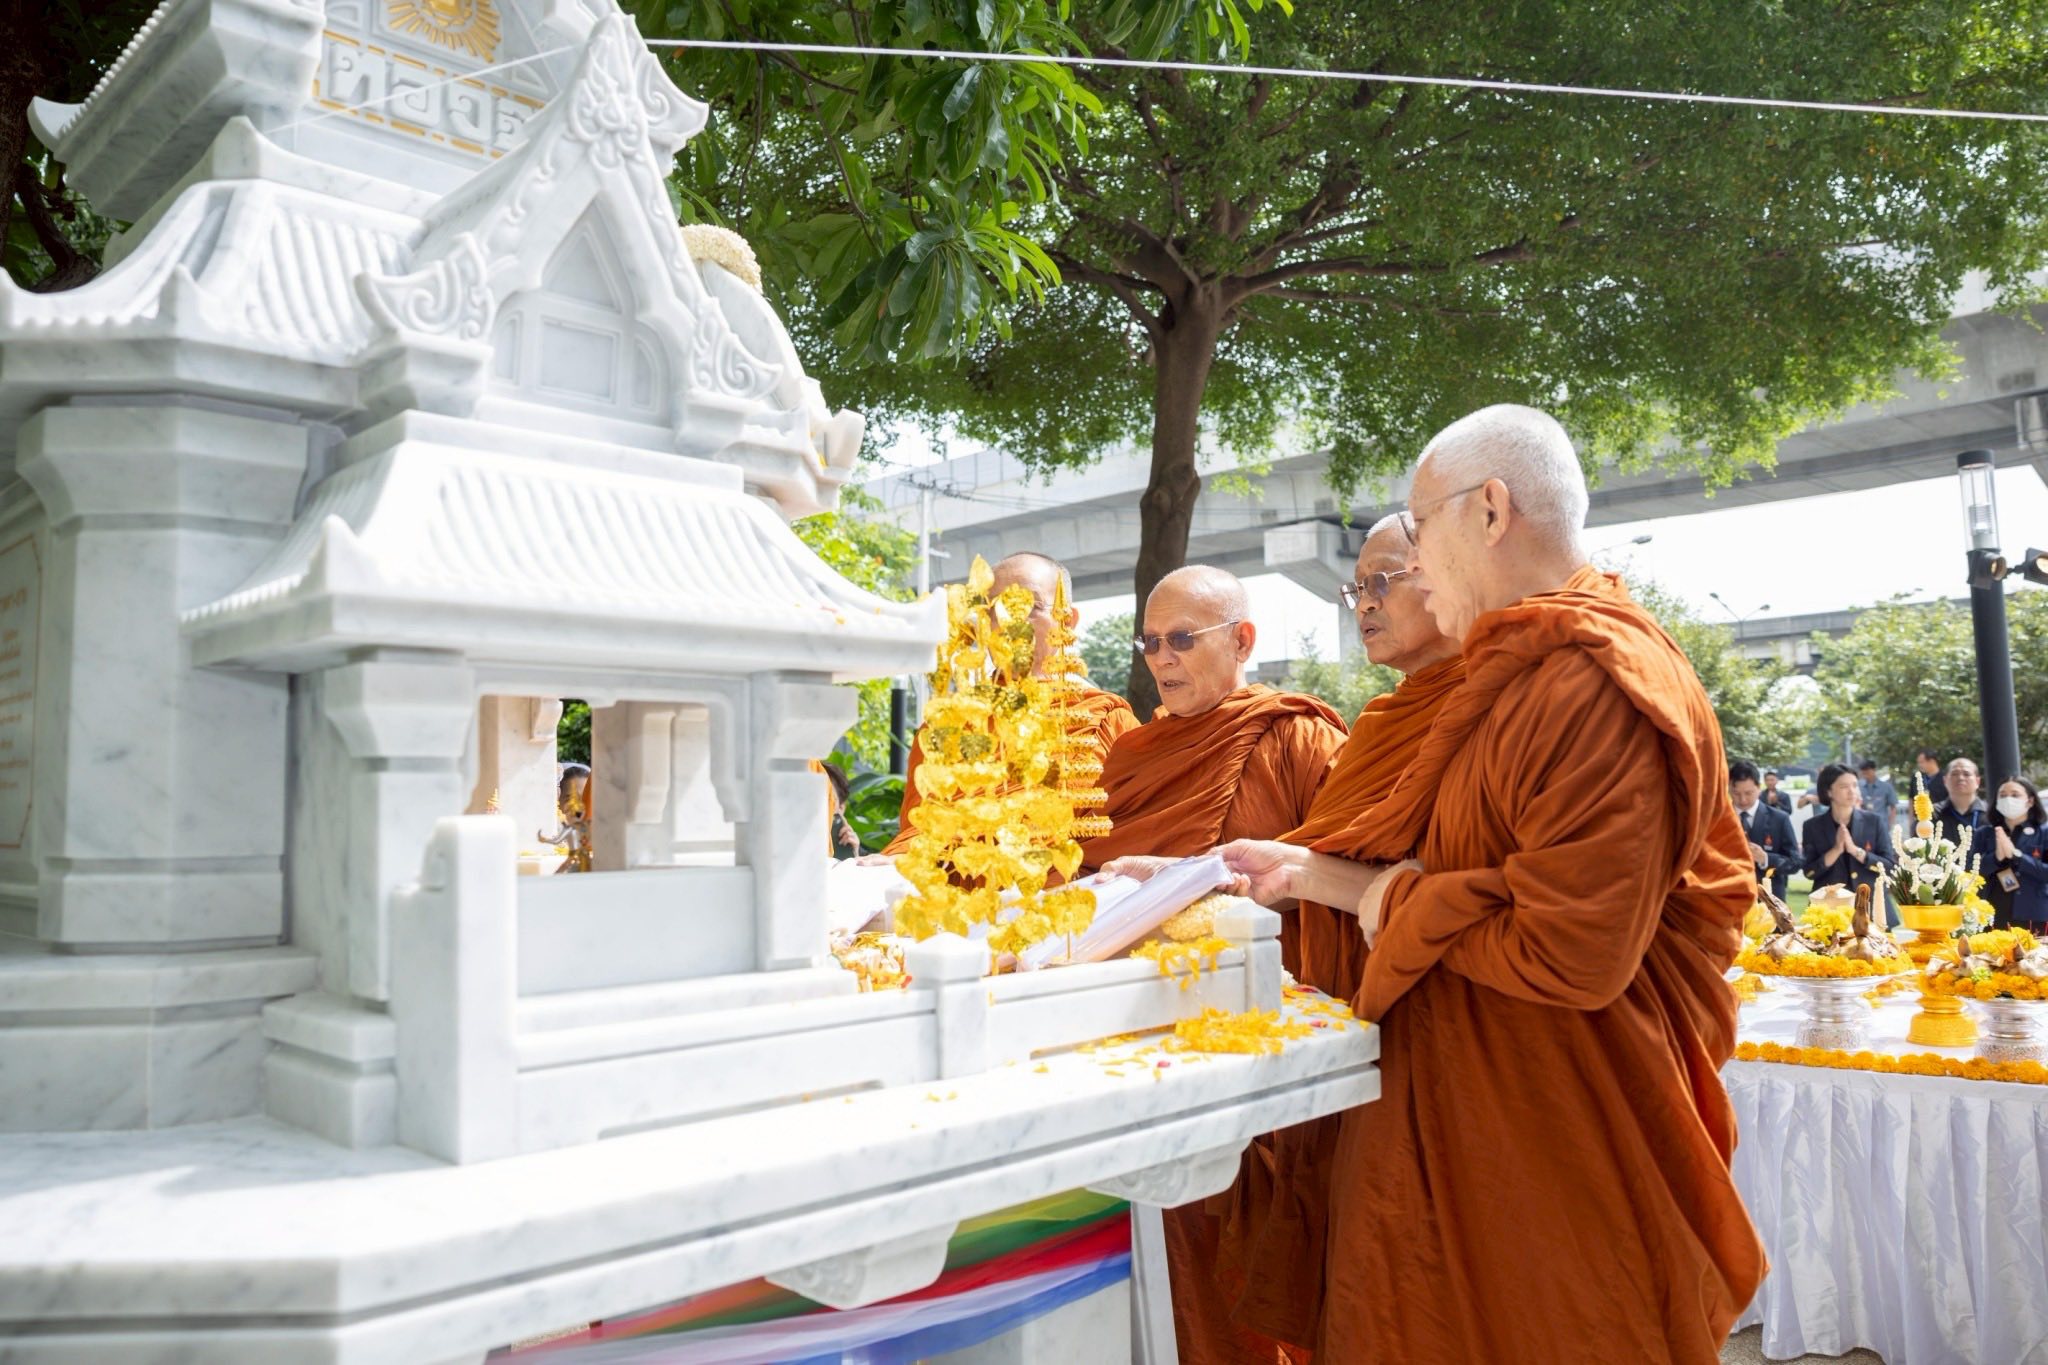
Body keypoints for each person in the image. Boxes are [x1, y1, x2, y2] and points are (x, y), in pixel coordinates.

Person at [1219, 403, 1764, 1363]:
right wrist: (1312, 873)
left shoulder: (1594, 680)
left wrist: (1388, 899)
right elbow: (1461, 868)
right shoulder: (1513, 674)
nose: (1416, 563)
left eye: (1420, 527)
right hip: (1457, 1115)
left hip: (1551, 1142)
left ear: (1491, 509)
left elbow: (1570, 951)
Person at [1206, 514, 1465, 1355]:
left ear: (1449, 569)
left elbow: (1458, 887)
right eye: (1357, 587)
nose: (1363, 603)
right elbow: (1337, 867)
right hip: (1353, 1019)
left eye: (1381, 581)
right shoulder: (1382, 722)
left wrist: (1300, 872)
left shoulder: (1492, 709)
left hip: (1446, 1028)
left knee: (1420, 1274)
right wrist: (1240, 876)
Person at [1082, 563, 1347, 1365]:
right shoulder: (1132, 754)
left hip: (1257, 1033)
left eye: (1181, 639)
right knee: (1160, 1257)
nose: (1162, 658)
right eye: (1150, 642)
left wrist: (1230, 889)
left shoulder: (1298, 737)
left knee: (1251, 1253)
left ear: (1242, 640)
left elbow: (1346, 869)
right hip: (1137, 1042)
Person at [881, 552, 1139, 857]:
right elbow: (918, 830)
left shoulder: (1105, 717)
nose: (1009, 622)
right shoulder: (948, 725)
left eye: (1029, 607)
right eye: (996, 609)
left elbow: (1129, 832)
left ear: (1067, 620)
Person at [1801, 762, 1895, 903]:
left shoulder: (1874, 821)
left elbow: (1889, 866)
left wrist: (1855, 851)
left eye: (1855, 785)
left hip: (1870, 904)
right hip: (1828, 906)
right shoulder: (1812, 826)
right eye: (1844, 787)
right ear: (1828, 791)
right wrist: (1836, 850)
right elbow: (1809, 872)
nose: (1852, 791)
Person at [1972, 778, 2048, 931]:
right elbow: (1970, 872)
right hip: (1993, 916)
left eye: (2015, 795)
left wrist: (2017, 856)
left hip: (2035, 916)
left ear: (2030, 801)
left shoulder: (2044, 832)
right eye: (2003, 795)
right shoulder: (1985, 833)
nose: (2008, 799)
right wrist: (1995, 858)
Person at [1731, 760, 1797, 902]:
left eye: (1748, 793)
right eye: (1736, 793)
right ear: (1729, 788)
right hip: (1729, 900)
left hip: (1768, 903)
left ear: (1759, 788)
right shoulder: (1718, 819)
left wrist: (1765, 858)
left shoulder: (1779, 819)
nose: (1743, 800)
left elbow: (1795, 862)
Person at [1934, 756, 1987, 848]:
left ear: (1977, 781)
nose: (1961, 778)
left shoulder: (1990, 813)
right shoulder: (1932, 813)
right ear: (1945, 780)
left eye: (1966, 774)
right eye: (1955, 774)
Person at [1858, 759, 1898, 830]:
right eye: (1863, 772)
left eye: (1867, 771)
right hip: (1864, 826)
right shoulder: (1858, 787)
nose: (1866, 775)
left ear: (1874, 770)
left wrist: (1890, 824)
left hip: (1882, 825)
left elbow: (1893, 807)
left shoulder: (1886, 787)